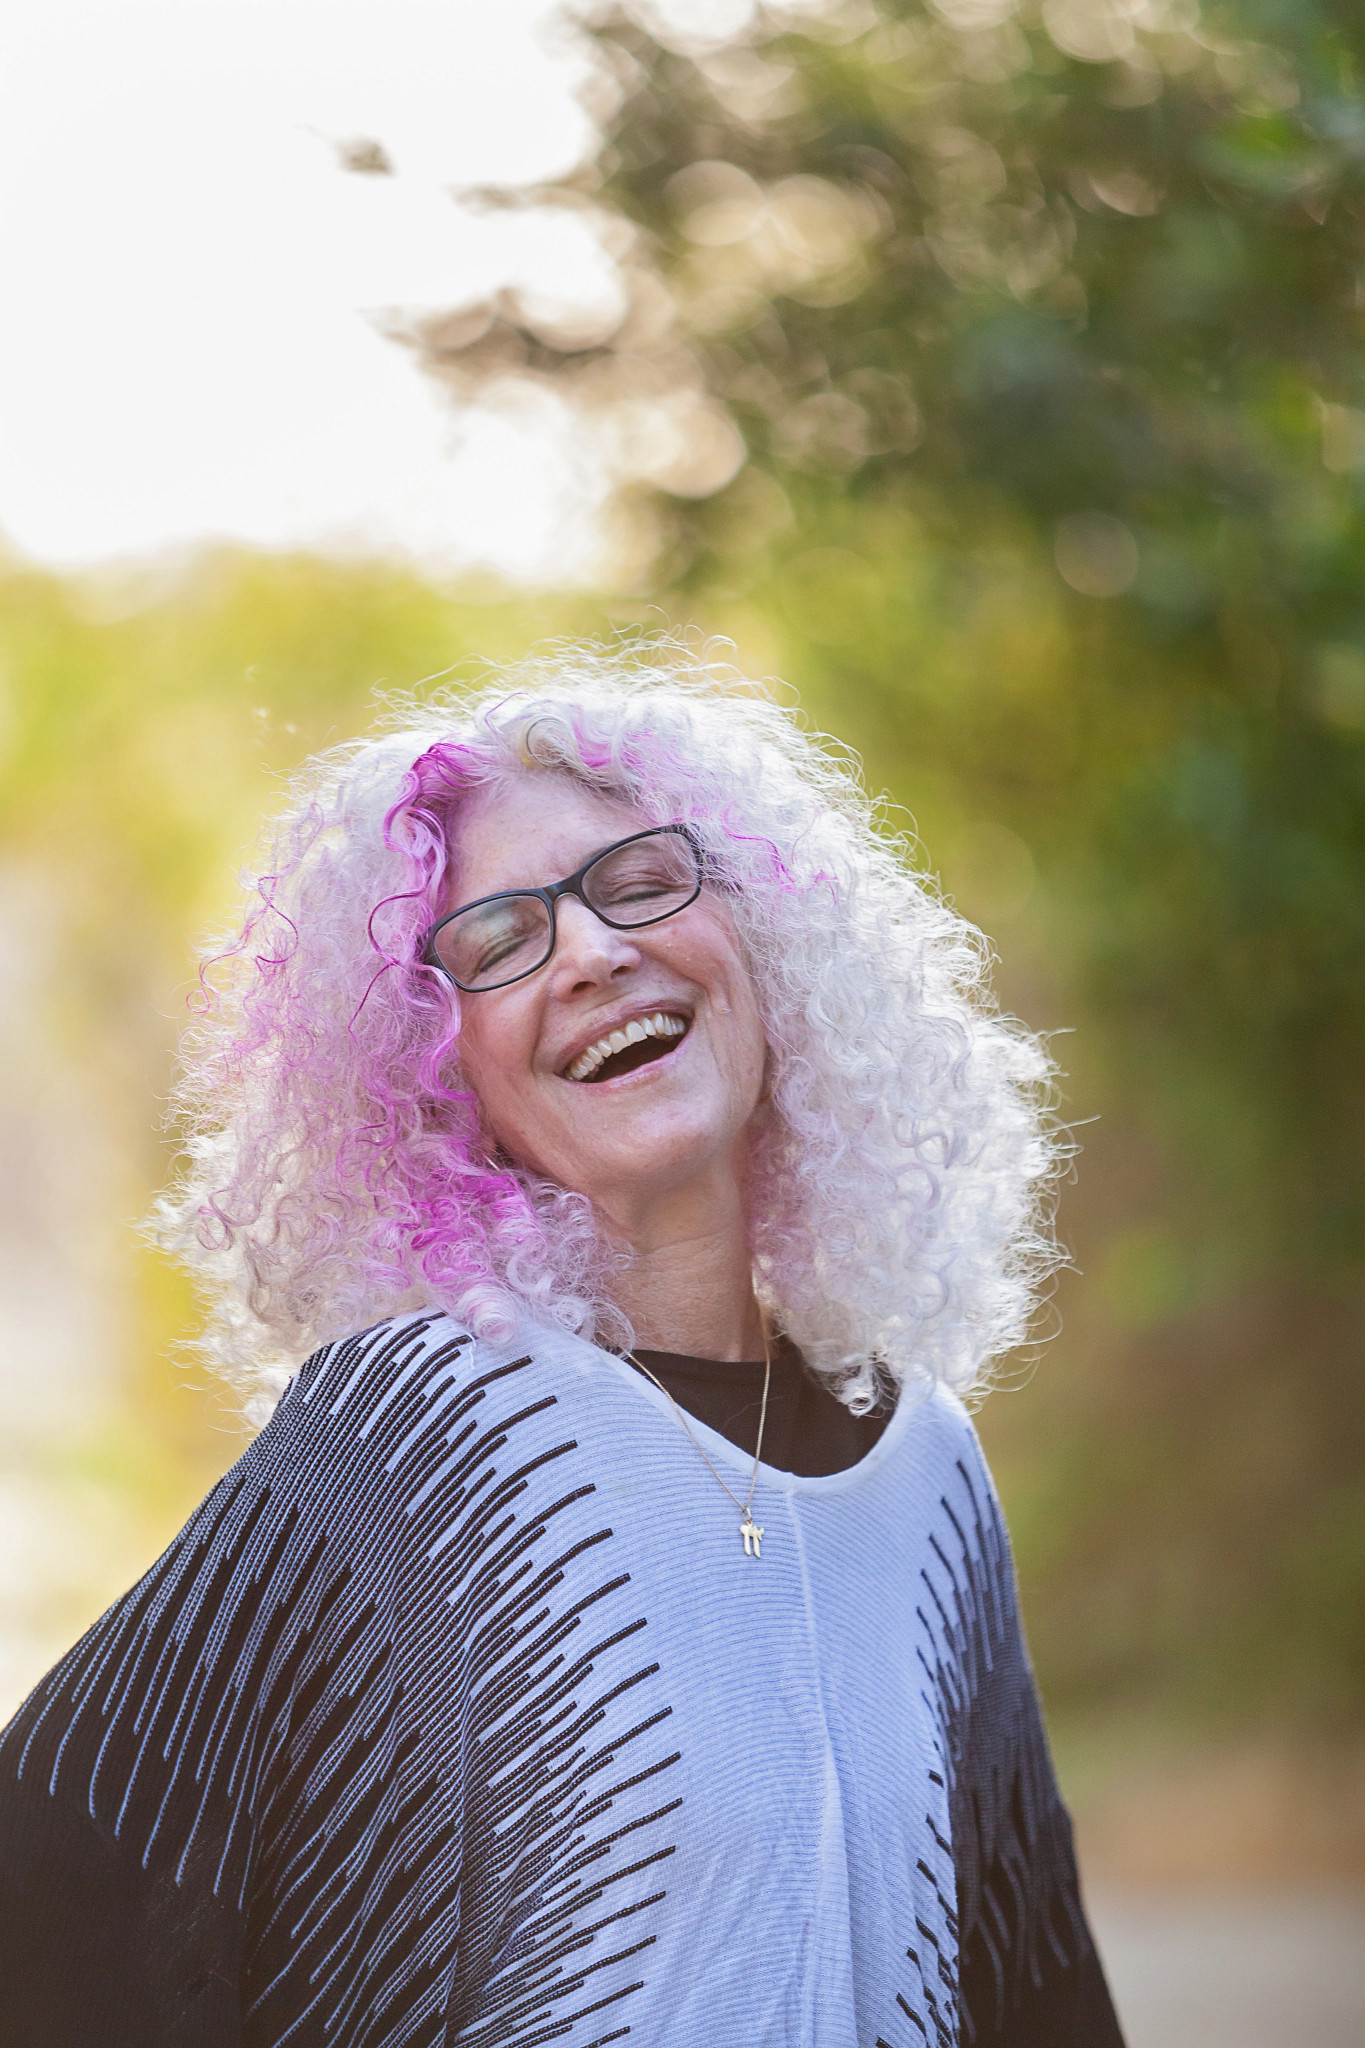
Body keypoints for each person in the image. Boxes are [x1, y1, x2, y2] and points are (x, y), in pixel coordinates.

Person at [0, 646, 1124, 2046]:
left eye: (639, 882)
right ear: (435, 1069)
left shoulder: (928, 1474)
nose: (592, 951)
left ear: (763, 938)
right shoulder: (422, 1429)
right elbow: (59, 1890)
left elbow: (1031, 1993)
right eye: (496, 945)